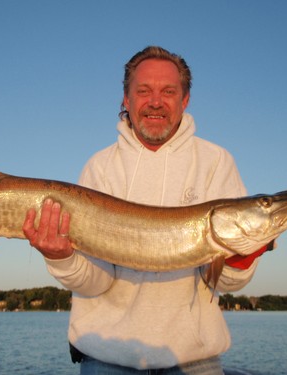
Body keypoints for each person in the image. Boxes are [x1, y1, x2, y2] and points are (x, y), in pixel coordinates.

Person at [22, 46, 269, 374]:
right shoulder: (99, 167)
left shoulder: (216, 162)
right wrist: (60, 257)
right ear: (126, 99)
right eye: (143, 91)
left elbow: (225, 283)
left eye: (168, 91)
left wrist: (245, 254)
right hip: (107, 361)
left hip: (194, 361)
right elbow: (95, 282)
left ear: (185, 101)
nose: (156, 101)